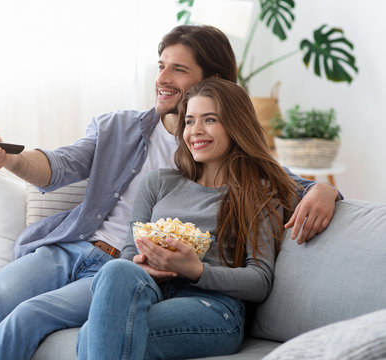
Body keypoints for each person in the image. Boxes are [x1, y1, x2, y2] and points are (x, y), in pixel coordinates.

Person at [0, 25, 340, 359]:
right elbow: (60, 165)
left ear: (213, 82)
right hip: (73, 246)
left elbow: (280, 182)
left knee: (32, 314)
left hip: (127, 270)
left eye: (178, 70)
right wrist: (8, 158)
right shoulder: (122, 131)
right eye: (161, 66)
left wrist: (324, 190)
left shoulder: (237, 172)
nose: (163, 79)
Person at [77, 78, 300, 359]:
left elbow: (260, 280)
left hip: (214, 307)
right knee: (114, 271)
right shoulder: (158, 183)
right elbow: (129, 255)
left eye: (209, 120)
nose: (196, 131)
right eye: (190, 121)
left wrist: (196, 270)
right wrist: (149, 264)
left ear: (236, 125)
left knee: (95, 335)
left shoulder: (258, 193)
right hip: (153, 292)